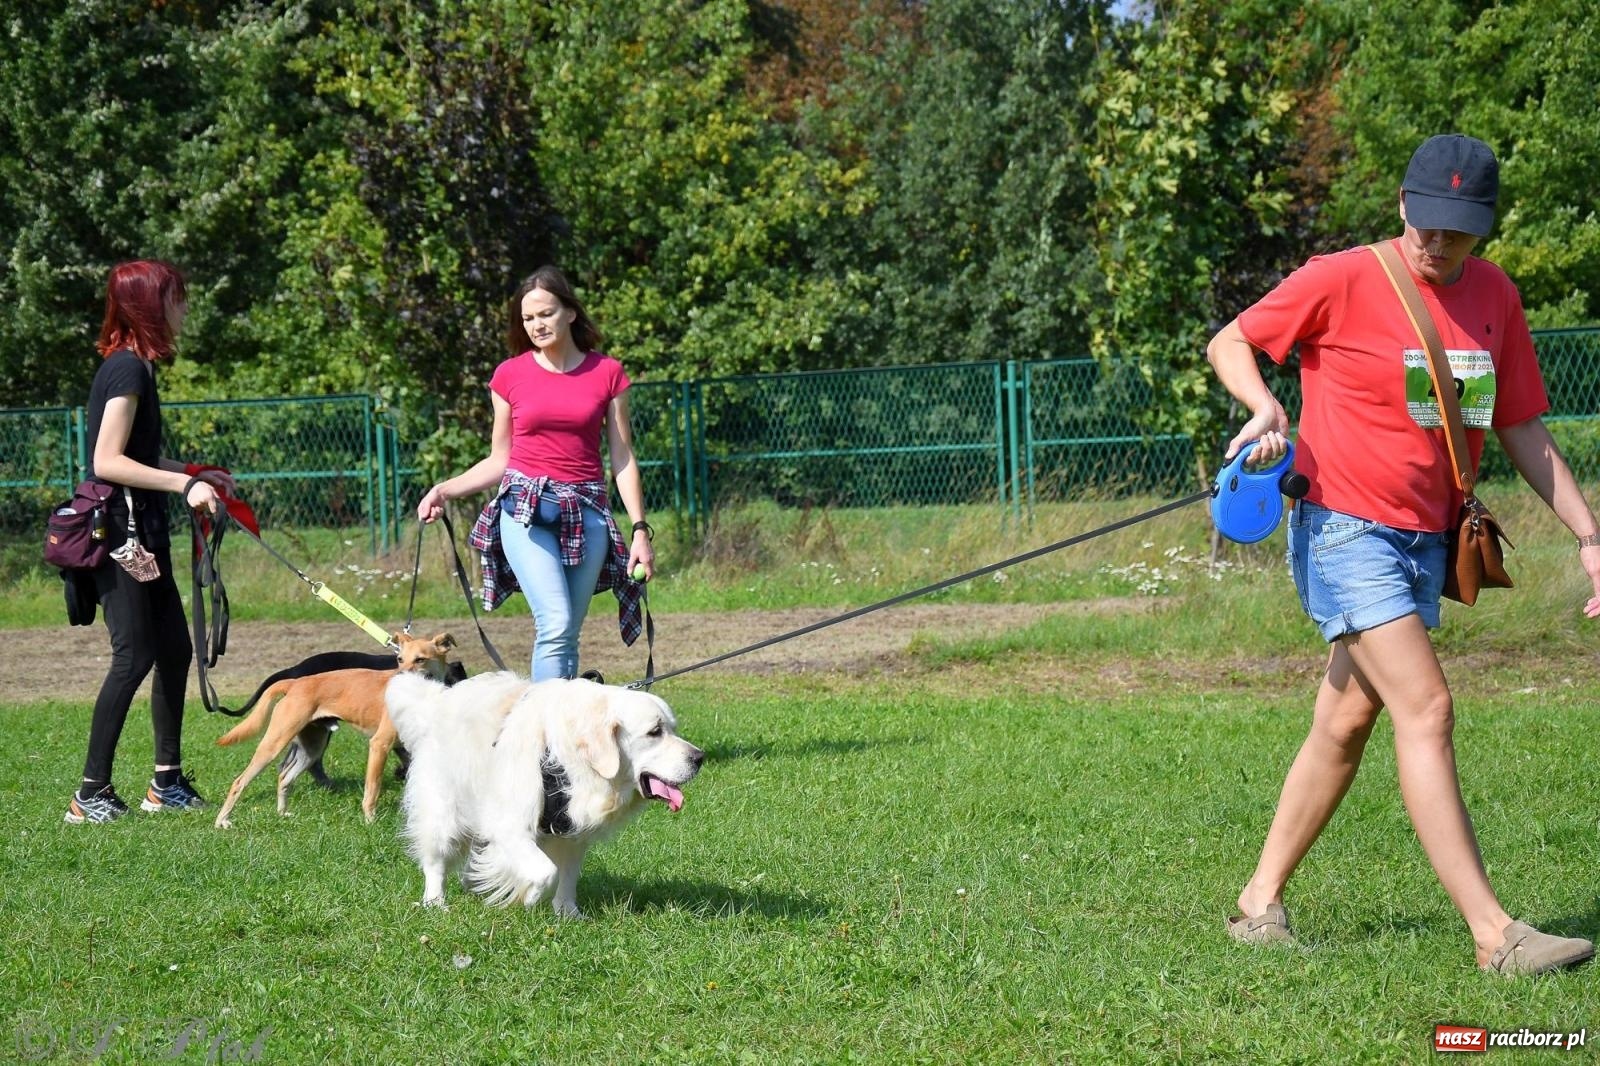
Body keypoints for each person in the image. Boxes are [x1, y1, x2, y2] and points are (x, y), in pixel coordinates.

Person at [1205, 134, 1600, 975]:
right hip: (1343, 527)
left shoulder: (1495, 296)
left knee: (1346, 720)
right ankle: (1496, 937)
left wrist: (1590, 536)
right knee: (1427, 708)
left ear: (1484, 227)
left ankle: (1257, 904)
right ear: (1401, 205)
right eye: (1427, 223)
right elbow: (1230, 342)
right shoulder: (1341, 276)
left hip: (1426, 538)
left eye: (1458, 230)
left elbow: (1522, 428)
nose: (1439, 244)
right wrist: (1264, 405)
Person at [417, 266, 652, 681]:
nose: (536, 325)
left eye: (545, 314)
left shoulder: (607, 373)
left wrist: (639, 530)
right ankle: (541, 739)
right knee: (556, 623)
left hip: (588, 510)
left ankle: (558, 739)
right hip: (525, 509)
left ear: (570, 313)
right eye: (528, 319)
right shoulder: (510, 375)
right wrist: (444, 490)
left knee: (568, 634)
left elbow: (623, 459)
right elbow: (499, 459)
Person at [67, 260, 236, 824]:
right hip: (120, 535)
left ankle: (165, 782)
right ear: (148, 306)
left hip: (145, 532)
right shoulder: (126, 371)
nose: (183, 309)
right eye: (176, 298)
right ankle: (89, 793)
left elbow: (135, 459)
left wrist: (195, 473)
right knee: (134, 655)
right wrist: (183, 484)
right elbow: (107, 461)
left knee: (172, 650)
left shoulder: (136, 368)